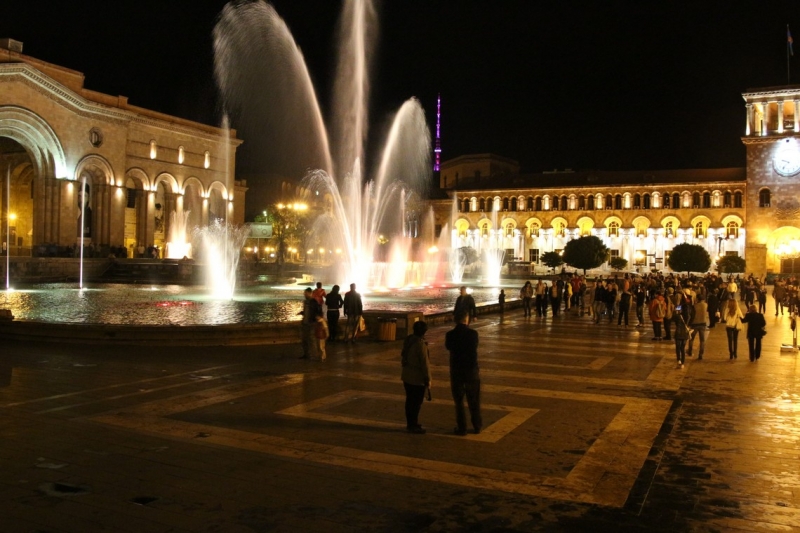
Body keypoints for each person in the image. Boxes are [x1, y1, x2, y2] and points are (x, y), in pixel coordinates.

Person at [445, 311, 482, 436]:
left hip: (457, 370)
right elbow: (474, 347)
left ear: (455, 320)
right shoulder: (473, 334)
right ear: (466, 320)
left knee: (459, 401)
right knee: (474, 399)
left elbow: (448, 347)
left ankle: (462, 428)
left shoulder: (450, 334)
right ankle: (477, 426)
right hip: (471, 370)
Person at [400, 321, 431, 434]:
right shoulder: (420, 344)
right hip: (417, 379)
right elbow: (425, 364)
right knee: (416, 403)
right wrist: (428, 379)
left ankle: (411, 423)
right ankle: (413, 424)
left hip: (406, 376)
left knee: (409, 401)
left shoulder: (409, 340)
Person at [299, 287, 322, 359]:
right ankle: (306, 354)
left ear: (310, 293)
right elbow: (307, 311)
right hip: (305, 323)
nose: (304, 294)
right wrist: (302, 313)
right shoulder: (305, 302)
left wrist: (317, 318)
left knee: (312, 340)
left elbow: (318, 311)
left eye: (305, 293)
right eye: (304, 293)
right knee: (304, 340)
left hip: (311, 323)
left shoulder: (314, 302)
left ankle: (314, 355)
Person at [688, 294, 709, 359]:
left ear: (697, 299)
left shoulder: (694, 306)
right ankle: (700, 354)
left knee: (691, 338)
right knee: (702, 340)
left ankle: (690, 351)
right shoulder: (706, 305)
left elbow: (691, 315)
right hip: (703, 324)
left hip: (695, 324)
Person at [673, 301, 691, 369]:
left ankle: (679, 360)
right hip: (685, 333)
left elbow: (672, 318)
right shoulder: (688, 317)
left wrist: (677, 309)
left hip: (678, 332)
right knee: (682, 348)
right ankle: (683, 363)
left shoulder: (678, 316)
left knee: (678, 347)